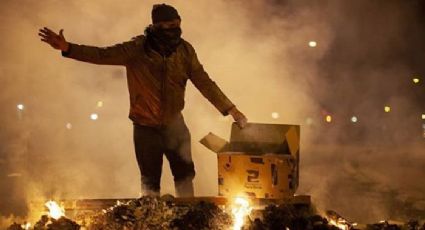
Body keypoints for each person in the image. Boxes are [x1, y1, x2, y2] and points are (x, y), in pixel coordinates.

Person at [38, 3, 247, 197]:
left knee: (185, 176)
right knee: (149, 183)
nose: (175, 30)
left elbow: (204, 82)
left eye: (177, 25)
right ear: (156, 26)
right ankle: (150, 220)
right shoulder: (137, 48)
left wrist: (231, 109)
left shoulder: (185, 51)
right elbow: (102, 55)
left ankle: (188, 218)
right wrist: (68, 48)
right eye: (169, 26)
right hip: (145, 128)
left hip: (175, 125)